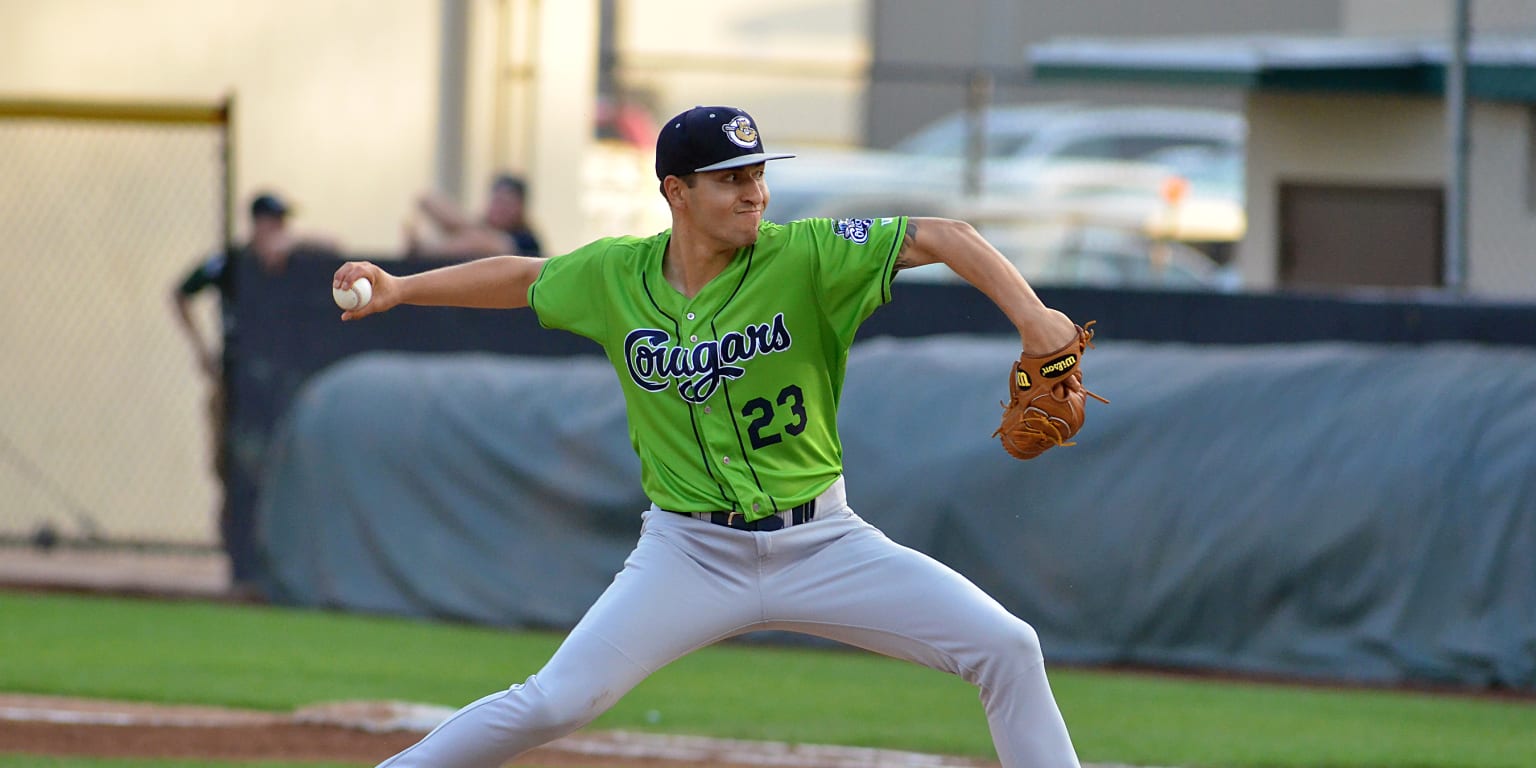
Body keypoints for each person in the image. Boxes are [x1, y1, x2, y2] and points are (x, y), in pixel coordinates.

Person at [334, 105, 1083, 768]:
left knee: (1008, 649)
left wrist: (1033, 317)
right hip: (690, 554)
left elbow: (946, 236)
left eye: (758, 175)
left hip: (824, 544)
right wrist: (402, 288)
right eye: (729, 179)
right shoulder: (616, 276)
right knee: (555, 703)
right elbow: (524, 278)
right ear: (676, 192)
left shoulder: (808, 257)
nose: (753, 192)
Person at [173, 191, 338, 593]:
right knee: (230, 469)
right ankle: (239, 559)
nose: (279, 229)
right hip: (235, 385)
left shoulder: (296, 263)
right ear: (257, 222)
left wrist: (295, 246)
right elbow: (181, 292)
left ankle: (276, 560)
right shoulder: (232, 263)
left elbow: (335, 250)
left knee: (277, 470)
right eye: (273, 221)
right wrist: (201, 352)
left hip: (278, 387)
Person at [405, 173, 543, 259]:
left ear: (520, 208)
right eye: (497, 201)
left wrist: (428, 250)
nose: (500, 209)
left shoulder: (526, 240)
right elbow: (426, 200)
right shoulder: (473, 227)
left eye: (507, 204)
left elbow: (493, 245)